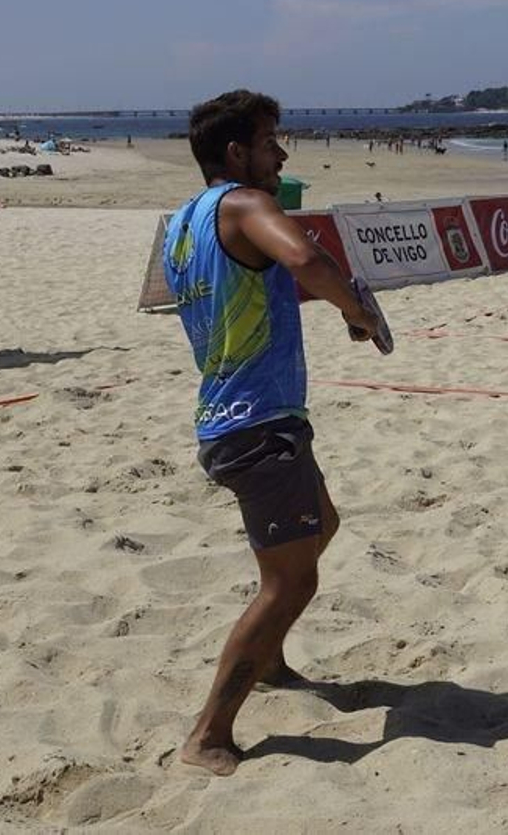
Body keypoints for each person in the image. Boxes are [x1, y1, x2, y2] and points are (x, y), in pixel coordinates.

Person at [162, 89, 381, 777]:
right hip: (259, 424)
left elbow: (254, 280)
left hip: (234, 417)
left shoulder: (184, 223)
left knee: (323, 525)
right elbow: (306, 260)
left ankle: (271, 660)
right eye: (269, 141)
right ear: (236, 153)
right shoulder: (249, 205)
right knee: (290, 582)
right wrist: (361, 313)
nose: (281, 154)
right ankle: (208, 733)